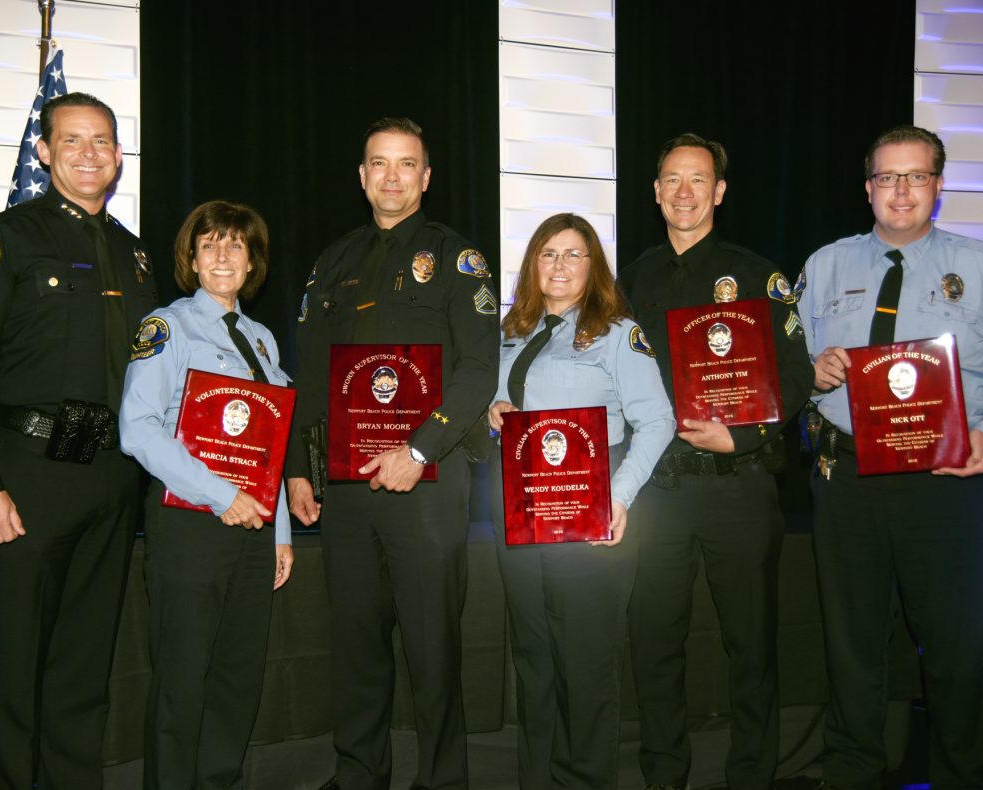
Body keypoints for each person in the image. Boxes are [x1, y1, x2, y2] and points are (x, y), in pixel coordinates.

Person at [285, 117, 499, 790]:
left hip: (429, 482)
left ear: (426, 177)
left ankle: (441, 780)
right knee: (356, 644)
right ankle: (359, 775)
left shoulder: (460, 260)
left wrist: (417, 448)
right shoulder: (332, 262)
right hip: (346, 487)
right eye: (379, 163)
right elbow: (311, 374)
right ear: (362, 175)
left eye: (406, 164)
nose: (392, 176)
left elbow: (478, 371)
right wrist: (298, 465)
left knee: (432, 649)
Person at [0, 91, 157, 790]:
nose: (88, 153)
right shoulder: (2, 240)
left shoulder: (135, 256)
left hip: (110, 475)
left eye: (101, 140)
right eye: (71, 140)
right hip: (27, 472)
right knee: (14, 659)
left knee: (83, 656)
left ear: (118, 155)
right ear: (43, 152)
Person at [617, 133, 814, 790]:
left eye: (697, 180)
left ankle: (751, 778)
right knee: (654, 648)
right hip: (656, 493)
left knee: (751, 650)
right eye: (671, 179)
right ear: (654, 191)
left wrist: (746, 436)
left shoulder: (759, 275)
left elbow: (796, 370)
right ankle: (663, 776)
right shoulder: (630, 278)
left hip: (737, 485)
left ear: (720, 192)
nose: (683, 192)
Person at [798, 125, 983, 789]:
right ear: (867, 187)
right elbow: (791, 365)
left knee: (957, 650)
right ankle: (852, 773)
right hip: (846, 478)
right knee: (851, 648)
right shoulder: (825, 266)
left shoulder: (978, 265)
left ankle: (963, 773)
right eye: (887, 177)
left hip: (945, 480)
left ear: (938, 185)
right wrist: (811, 372)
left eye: (916, 176)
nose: (900, 191)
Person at [487, 213, 675, 789]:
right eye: (549, 253)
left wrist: (615, 500)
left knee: (586, 667)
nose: (561, 265)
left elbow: (659, 421)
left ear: (593, 266)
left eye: (574, 254)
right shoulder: (509, 331)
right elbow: (496, 401)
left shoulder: (618, 332)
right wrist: (492, 413)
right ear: (532, 264)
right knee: (535, 661)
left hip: (592, 515)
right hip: (521, 512)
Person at [118, 200, 294, 789]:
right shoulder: (166, 327)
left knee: (238, 675)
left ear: (252, 263)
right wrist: (222, 496)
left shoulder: (263, 340)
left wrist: (280, 533)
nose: (223, 255)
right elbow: (137, 428)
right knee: (183, 678)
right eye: (210, 244)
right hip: (190, 522)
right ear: (191, 260)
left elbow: (273, 445)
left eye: (236, 245)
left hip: (252, 529)